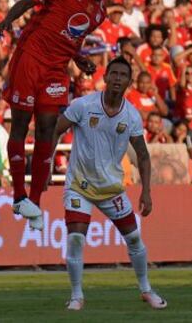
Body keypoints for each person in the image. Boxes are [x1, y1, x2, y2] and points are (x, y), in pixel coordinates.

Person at [0, 0, 124, 230]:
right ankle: (19, 196)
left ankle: (35, 204)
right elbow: (30, 2)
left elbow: (72, 37)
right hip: (31, 57)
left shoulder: (101, 11)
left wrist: (80, 59)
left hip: (57, 68)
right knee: (20, 124)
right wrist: (9, 18)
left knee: (48, 128)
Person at [51, 57, 167, 311]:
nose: (116, 78)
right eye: (113, 73)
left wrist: (146, 191)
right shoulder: (83, 105)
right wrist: (45, 163)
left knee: (135, 238)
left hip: (111, 188)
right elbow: (56, 130)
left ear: (128, 81)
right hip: (79, 185)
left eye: (122, 75)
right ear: (105, 78)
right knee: (76, 239)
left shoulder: (132, 115)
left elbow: (143, 155)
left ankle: (146, 289)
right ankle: (76, 295)